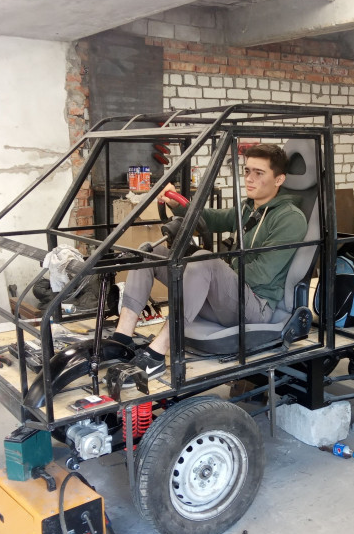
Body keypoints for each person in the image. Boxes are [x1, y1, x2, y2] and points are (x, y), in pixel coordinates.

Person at [112, 143, 308, 378]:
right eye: (247, 171)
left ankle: (157, 354)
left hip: (255, 307)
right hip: (227, 301)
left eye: (259, 173)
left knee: (203, 260)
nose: (249, 179)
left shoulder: (290, 218)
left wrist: (217, 269)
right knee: (149, 253)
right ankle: (121, 340)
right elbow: (212, 219)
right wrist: (179, 205)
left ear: (279, 179)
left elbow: (262, 274)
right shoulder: (248, 208)